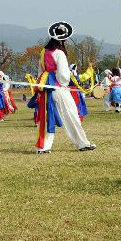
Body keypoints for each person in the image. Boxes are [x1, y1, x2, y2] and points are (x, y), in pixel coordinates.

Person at [33, 21, 96, 153]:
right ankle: (82, 143)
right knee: (71, 115)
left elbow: (40, 72)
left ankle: (44, 147)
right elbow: (63, 76)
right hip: (59, 89)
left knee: (48, 118)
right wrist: (65, 83)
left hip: (46, 89)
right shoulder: (59, 53)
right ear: (63, 39)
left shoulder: (43, 52)